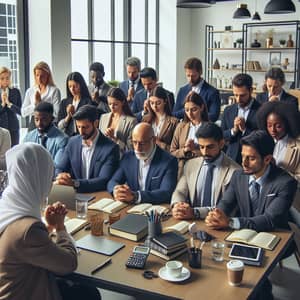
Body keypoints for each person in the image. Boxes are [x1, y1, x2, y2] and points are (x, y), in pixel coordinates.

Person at [0, 143, 77, 299]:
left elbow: (21, 249)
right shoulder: (28, 230)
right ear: (38, 177)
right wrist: (61, 228)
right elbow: (68, 264)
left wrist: (48, 227)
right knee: (86, 293)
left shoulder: (7, 209)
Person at [205, 130, 297, 232]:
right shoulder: (238, 176)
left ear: (267, 159)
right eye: (243, 156)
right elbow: (226, 202)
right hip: (244, 235)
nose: (244, 163)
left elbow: (270, 219)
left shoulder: (286, 183)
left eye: (251, 158)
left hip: (275, 235)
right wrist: (217, 215)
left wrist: (230, 222)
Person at [171, 122, 240, 220]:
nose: (205, 152)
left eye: (210, 147)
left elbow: (226, 207)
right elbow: (179, 191)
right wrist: (177, 205)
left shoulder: (235, 171)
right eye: (201, 147)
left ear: (221, 144)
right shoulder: (190, 164)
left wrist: (195, 212)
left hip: (218, 223)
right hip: (190, 220)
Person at [107, 123, 178, 204]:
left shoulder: (169, 161)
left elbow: (166, 192)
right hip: (131, 207)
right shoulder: (128, 157)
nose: (137, 148)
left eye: (142, 143)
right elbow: (113, 181)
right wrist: (116, 190)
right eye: (134, 142)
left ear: (154, 140)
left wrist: (136, 196)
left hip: (155, 209)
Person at [55, 104, 119, 193]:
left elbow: (104, 180)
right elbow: (60, 167)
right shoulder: (72, 142)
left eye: (85, 127)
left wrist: (75, 183)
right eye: (78, 127)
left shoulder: (111, 148)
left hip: (99, 195)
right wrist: (61, 176)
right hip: (73, 195)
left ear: (96, 123)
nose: (81, 132)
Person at [221, 73, 261, 164]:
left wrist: (244, 130)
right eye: (235, 95)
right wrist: (233, 131)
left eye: (242, 95)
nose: (238, 99)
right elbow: (221, 135)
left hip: (253, 161)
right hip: (230, 160)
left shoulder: (261, 111)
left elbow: (263, 139)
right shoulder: (228, 110)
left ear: (251, 90)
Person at [257, 101, 300, 182]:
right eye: (269, 125)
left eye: (278, 126)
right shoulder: (262, 142)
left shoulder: (298, 147)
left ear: (287, 124)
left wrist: (277, 170)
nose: (272, 130)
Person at [170, 91, 208, 178]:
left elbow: (214, 153)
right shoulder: (181, 126)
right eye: (187, 110)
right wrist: (185, 150)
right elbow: (172, 152)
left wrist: (194, 150)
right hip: (183, 171)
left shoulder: (209, 127)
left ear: (201, 107)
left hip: (202, 169)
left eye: (194, 109)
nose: (190, 114)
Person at [173, 57, 220, 122]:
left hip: (203, 129)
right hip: (185, 129)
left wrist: (193, 111)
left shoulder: (213, 92)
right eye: (188, 76)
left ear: (200, 72)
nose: (190, 79)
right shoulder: (182, 90)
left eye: (193, 76)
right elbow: (174, 114)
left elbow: (214, 116)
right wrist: (188, 109)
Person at [23, 102, 68, 168]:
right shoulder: (28, 137)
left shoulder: (62, 140)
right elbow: (23, 160)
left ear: (52, 119)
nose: (39, 123)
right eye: (36, 119)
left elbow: (58, 167)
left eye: (44, 119)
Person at [22, 61, 61, 131]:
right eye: (37, 75)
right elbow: (23, 112)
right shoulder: (30, 91)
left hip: (49, 125)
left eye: (42, 76)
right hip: (33, 125)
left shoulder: (54, 91)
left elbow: (56, 114)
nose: (39, 78)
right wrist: (35, 105)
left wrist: (42, 105)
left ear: (48, 75)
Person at [99, 87, 137, 155]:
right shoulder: (103, 117)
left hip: (121, 159)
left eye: (115, 104)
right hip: (104, 157)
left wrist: (114, 139)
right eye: (109, 104)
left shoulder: (131, 121)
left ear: (122, 102)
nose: (112, 107)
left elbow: (131, 149)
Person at [142, 86, 179, 152]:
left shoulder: (174, 122)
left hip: (165, 157)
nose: (154, 107)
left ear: (165, 101)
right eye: (152, 103)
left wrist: (159, 143)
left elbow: (175, 150)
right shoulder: (145, 119)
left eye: (158, 103)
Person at [57, 72, 92, 136]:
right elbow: (59, 126)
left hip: (83, 135)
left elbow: (88, 123)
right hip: (67, 136)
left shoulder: (88, 102)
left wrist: (74, 114)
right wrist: (68, 116)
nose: (72, 89)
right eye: (70, 86)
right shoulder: (64, 102)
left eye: (75, 86)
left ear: (81, 85)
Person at [0, 66, 22, 146]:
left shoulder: (16, 91)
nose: (5, 80)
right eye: (2, 78)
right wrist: (2, 104)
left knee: (14, 152)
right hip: (1, 128)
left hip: (13, 128)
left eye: (7, 78)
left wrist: (9, 104)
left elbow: (20, 111)